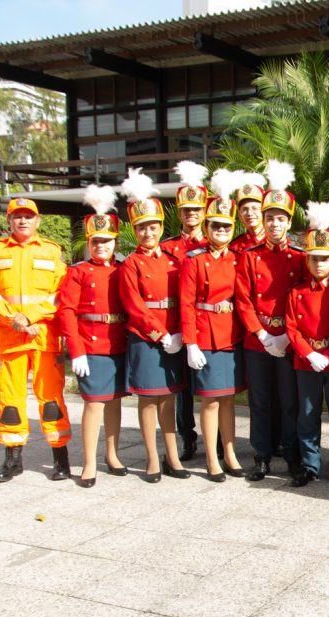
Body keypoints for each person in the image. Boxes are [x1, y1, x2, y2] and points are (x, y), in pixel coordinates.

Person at [0, 197, 72, 483]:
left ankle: (61, 460)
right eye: (17, 216)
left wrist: (30, 317)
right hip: (11, 340)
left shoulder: (52, 251)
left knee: (51, 400)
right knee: (10, 402)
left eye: (28, 216)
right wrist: (15, 319)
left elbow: (60, 293)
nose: (23, 220)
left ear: (37, 220)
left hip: (44, 339)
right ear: (8, 220)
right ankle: (13, 461)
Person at [235, 160, 305, 480]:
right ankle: (261, 454)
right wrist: (262, 335)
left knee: (289, 401)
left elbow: (303, 301)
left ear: (288, 222)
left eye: (280, 218)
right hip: (258, 340)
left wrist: (287, 336)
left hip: (288, 340)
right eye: (269, 218)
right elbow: (243, 300)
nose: (274, 223)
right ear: (263, 221)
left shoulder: (300, 257)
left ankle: (291, 453)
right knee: (260, 401)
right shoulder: (250, 256)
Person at [118, 168, 189, 482]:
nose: (148, 232)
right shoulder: (131, 263)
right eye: (142, 227)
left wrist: (180, 333)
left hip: (174, 336)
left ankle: (172, 456)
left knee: (168, 398)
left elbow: (183, 298)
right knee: (148, 399)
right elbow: (133, 305)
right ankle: (151, 459)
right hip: (146, 338)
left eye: (153, 226)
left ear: (161, 227)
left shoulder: (173, 260)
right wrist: (160, 334)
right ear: (135, 230)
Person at [57, 185, 129, 487]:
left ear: (115, 242)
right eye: (96, 241)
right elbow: (66, 312)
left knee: (114, 403)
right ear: (89, 242)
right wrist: (76, 351)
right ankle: (89, 462)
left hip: (119, 343)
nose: (101, 246)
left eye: (107, 241)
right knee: (94, 404)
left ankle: (112, 454)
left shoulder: (123, 269)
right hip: (91, 345)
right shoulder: (78, 271)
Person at [180, 182, 247, 483]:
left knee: (229, 398)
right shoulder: (195, 259)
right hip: (205, 336)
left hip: (230, 335)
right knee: (210, 400)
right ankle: (210, 458)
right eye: (215, 226)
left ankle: (230, 454)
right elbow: (186, 302)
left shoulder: (237, 258)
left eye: (226, 226)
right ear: (206, 227)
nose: (221, 230)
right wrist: (190, 343)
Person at [286, 206, 329, 488]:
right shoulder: (297, 292)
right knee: (308, 415)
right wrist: (309, 354)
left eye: (324, 258)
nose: (318, 264)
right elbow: (292, 328)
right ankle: (309, 465)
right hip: (306, 362)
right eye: (313, 258)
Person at [162, 161, 210, 462]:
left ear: (204, 212)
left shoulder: (213, 242)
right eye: (186, 210)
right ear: (179, 213)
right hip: (175, 326)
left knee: (210, 387)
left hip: (205, 325)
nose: (191, 214)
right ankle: (187, 437)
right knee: (181, 388)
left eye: (196, 209)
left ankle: (216, 439)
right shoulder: (167, 248)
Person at [229, 173, 268, 252]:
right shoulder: (235, 246)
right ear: (240, 215)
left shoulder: (274, 240)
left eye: (255, 208)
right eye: (245, 209)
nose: (249, 213)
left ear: (263, 211)